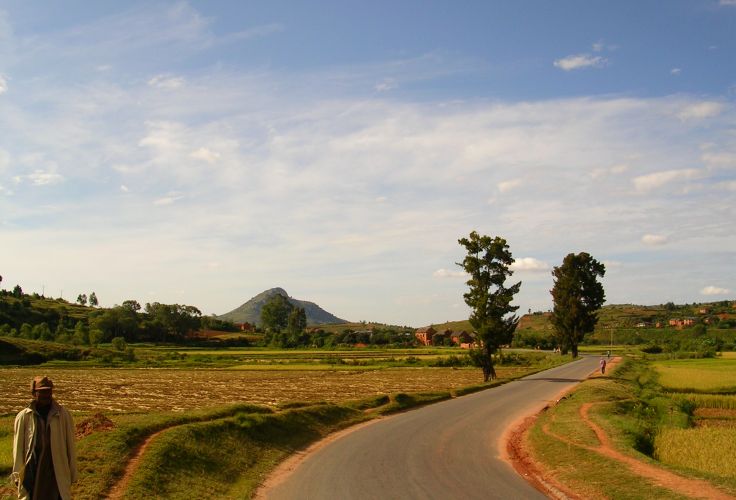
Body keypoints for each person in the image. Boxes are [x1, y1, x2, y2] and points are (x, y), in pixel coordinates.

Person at [12, 376, 77, 500]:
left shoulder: (63, 414)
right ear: (34, 393)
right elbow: (18, 447)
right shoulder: (23, 416)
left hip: (56, 467)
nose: (46, 394)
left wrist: (72, 472)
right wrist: (17, 475)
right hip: (34, 468)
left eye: (48, 391)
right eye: (42, 391)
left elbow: (70, 445)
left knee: (58, 495)